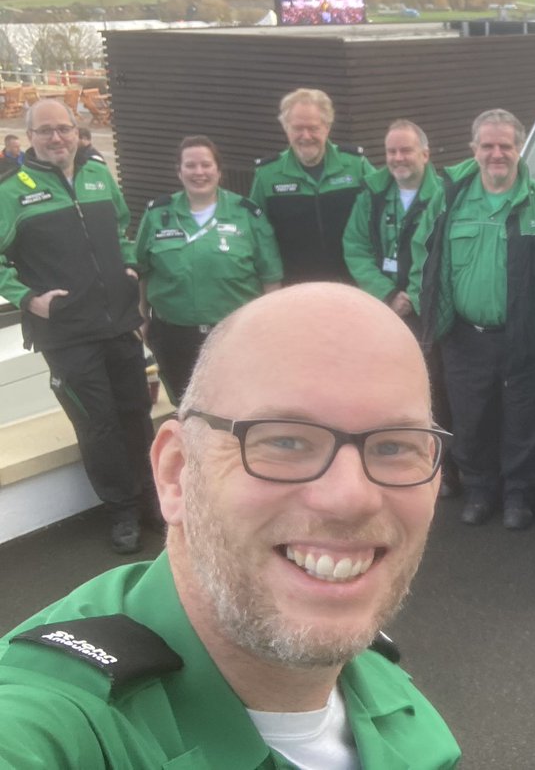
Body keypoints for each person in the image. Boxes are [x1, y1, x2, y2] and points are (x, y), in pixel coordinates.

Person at [0, 284, 461, 767]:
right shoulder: (53, 723)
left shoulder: (372, 673)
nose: (350, 498)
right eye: (284, 441)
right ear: (176, 472)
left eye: (393, 446)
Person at [0, 101, 154, 554]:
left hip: (117, 324)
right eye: (45, 131)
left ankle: (151, 502)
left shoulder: (97, 175)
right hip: (66, 335)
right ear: (30, 136)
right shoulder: (11, 192)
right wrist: (29, 299)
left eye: (63, 129)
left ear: (76, 132)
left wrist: (127, 267)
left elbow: (124, 226)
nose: (56, 138)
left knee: (135, 415)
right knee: (98, 425)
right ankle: (122, 512)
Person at [430, 109, 535, 529]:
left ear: (520, 149)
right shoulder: (451, 199)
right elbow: (427, 258)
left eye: (506, 145)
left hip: (525, 335)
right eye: (488, 145)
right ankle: (481, 491)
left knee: (525, 419)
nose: (497, 153)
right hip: (466, 336)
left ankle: (519, 497)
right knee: (471, 419)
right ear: (474, 150)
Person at [343, 118, 460, 498]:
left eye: (406, 150)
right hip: (385, 310)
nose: (398, 158)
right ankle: (398, 464)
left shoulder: (445, 194)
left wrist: (411, 292)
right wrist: (388, 294)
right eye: (392, 151)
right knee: (390, 393)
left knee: (435, 393)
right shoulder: (372, 194)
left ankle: (446, 470)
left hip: (428, 313)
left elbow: (442, 253)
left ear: (425, 154)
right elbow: (355, 248)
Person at [135, 135, 283, 405]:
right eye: (190, 166)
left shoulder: (247, 214)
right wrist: (141, 316)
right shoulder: (158, 214)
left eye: (206, 165)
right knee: (186, 408)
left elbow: (270, 277)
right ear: (179, 171)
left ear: (219, 170)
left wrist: (267, 327)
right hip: (174, 336)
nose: (199, 172)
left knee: (238, 406)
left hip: (234, 334)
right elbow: (142, 271)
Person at [248, 88, 372, 284]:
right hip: (295, 288)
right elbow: (257, 233)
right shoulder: (267, 175)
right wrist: (272, 281)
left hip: (353, 284)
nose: (306, 136)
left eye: (313, 128)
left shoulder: (356, 166)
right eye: (297, 128)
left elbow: (384, 212)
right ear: (286, 128)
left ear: (327, 127)